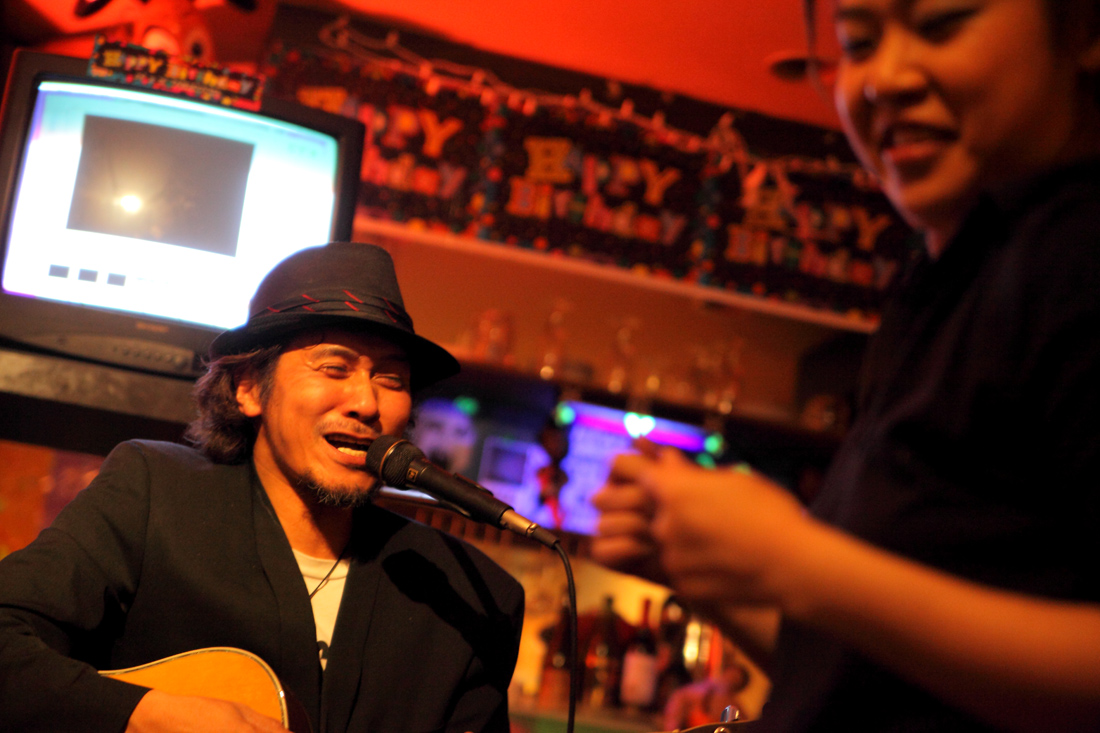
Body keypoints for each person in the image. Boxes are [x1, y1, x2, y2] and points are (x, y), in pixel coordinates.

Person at [591, 1, 1100, 731]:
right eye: (859, 43)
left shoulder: (1077, 258)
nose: (884, 78)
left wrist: (795, 559)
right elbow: (872, 680)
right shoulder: (945, 279)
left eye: (940, 24)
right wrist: (715, 576)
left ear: (1083, 29)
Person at [0, 242, 525, 733]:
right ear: (249, 388)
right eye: (334, 367)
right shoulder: (152, 492)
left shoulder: (473, 594)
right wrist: (147, 715)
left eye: (391, 379)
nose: (367, 403)